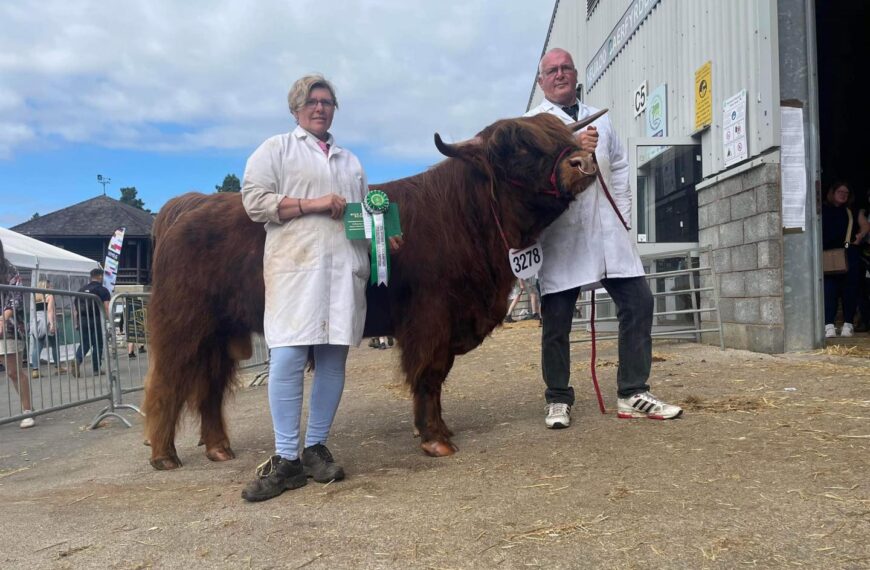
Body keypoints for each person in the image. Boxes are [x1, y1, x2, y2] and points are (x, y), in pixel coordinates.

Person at [240, 74, 402, 502]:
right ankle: (285, 457)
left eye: (327, 101)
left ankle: (314, 448)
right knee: (289, 357)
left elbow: (360, 215)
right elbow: (253, 202)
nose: (320, 107)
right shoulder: (275, 149)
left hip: (342, 271)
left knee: (333, 359)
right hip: (295, 270)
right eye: (312, 101)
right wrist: (312, 203)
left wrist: (382, 235)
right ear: (296, 107)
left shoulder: (351, 162)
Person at [525, 48, 683, 428]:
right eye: (552, 70)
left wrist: (624, 219)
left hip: (609, 231)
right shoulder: (530, 125)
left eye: (566, 68)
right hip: (563, 236)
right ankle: (558, 398)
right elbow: (530, 178)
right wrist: (575, 152)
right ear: (541, 81)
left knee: (639, 302)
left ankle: (632, 392)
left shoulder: (604, 120)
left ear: (576, 75)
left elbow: (622, 169)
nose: (560, 74)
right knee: (557, 319)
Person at [821, 181, 869, 338]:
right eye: (840, 192)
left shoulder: (852, 211)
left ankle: (848, 324)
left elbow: (865, 225)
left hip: (849, 254)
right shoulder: (822, 209)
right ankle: (829, 325)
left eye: (846, 193)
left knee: (850, 290)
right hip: (829, 254)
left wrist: (860, 236)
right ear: (832, 193)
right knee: (829, 290)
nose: (843, 195)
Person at [0, 240, 34, 428]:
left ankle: (28, 410)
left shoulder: (8, 269)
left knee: (13, 372)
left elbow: (16, 298)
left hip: (9, 327)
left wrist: (3, 319)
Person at [73, 268, 111, 377]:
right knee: (98, 344)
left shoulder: (81, 290)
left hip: (83, 320)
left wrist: (76, 323)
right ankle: (96, 369)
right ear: (100, 277)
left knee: (85, 343)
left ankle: (77, 359)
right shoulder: (102, 290)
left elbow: (75, 309)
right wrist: (109, 321)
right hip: (97, 319)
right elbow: (107, 307)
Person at [29, 278, 66, 378]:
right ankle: (58, 367)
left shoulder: (35, 297)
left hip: (37, 321)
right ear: (46, 286)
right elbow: (49, 311)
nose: (52, 286)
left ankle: (35, 370)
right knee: (54, 345)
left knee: (37, 346)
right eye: (50, 285)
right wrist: (52, 324)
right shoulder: (50, 296)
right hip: (47, 320)